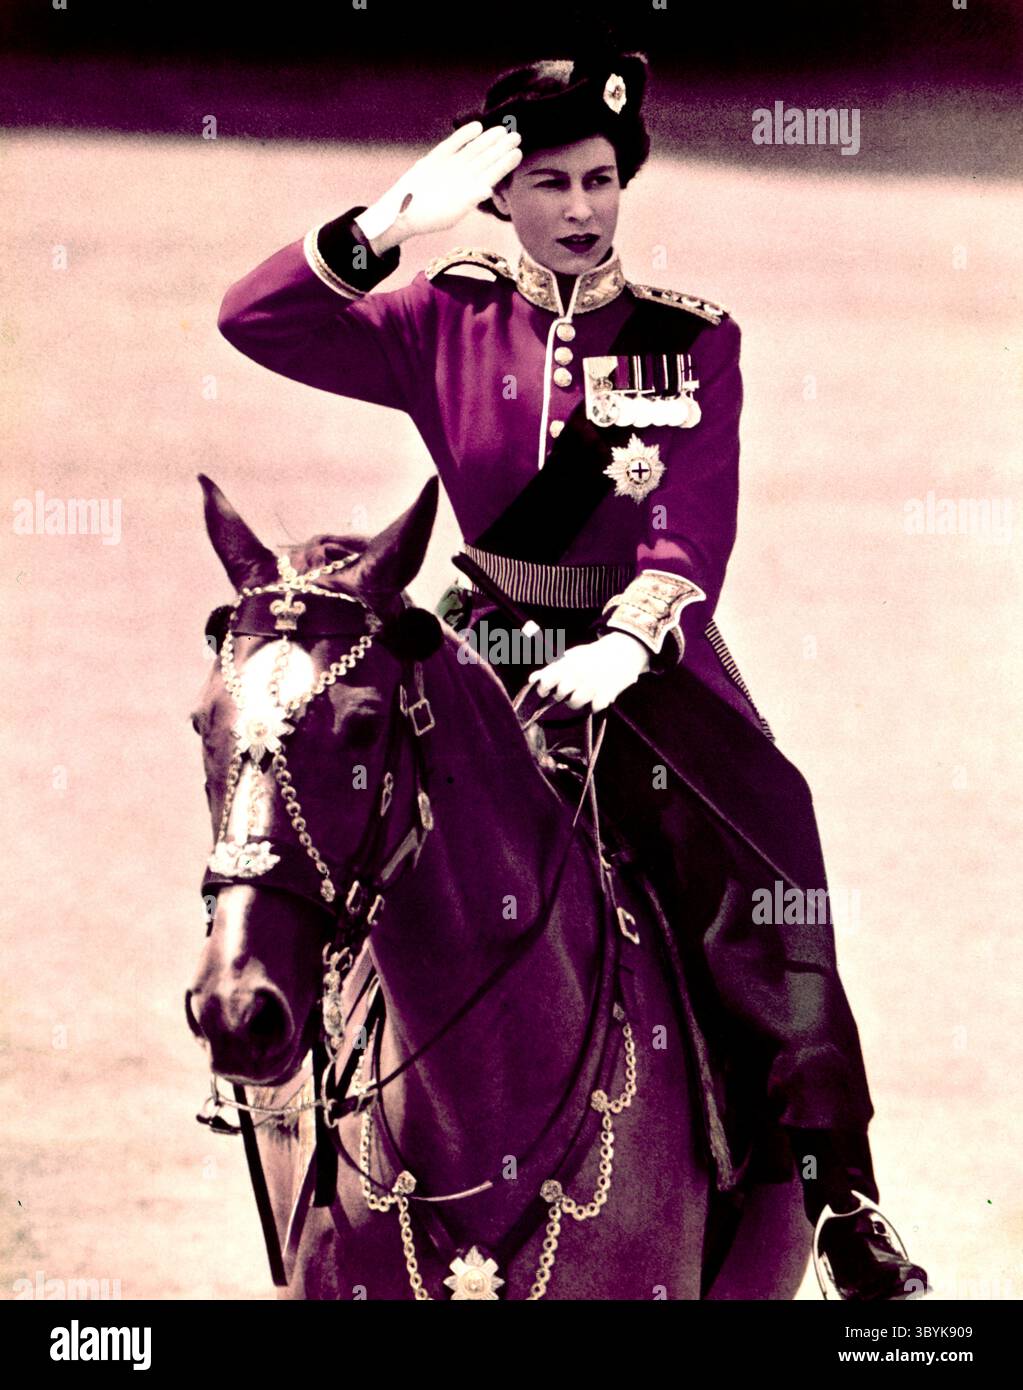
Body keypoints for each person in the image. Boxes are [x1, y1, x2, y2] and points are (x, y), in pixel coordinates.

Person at [215, 48, 928, 1300]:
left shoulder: (688, 344)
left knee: (773, 862)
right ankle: (296, 1118)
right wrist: (385, 225)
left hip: (638, 663)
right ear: (498, 195)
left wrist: (625, 638)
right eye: (548, 181)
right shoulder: (441, 310)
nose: (584, 207)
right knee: (324, 809)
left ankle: (839, 1185)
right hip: (474, 644)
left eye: (602, 178)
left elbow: (689, 524)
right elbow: (253, 317)